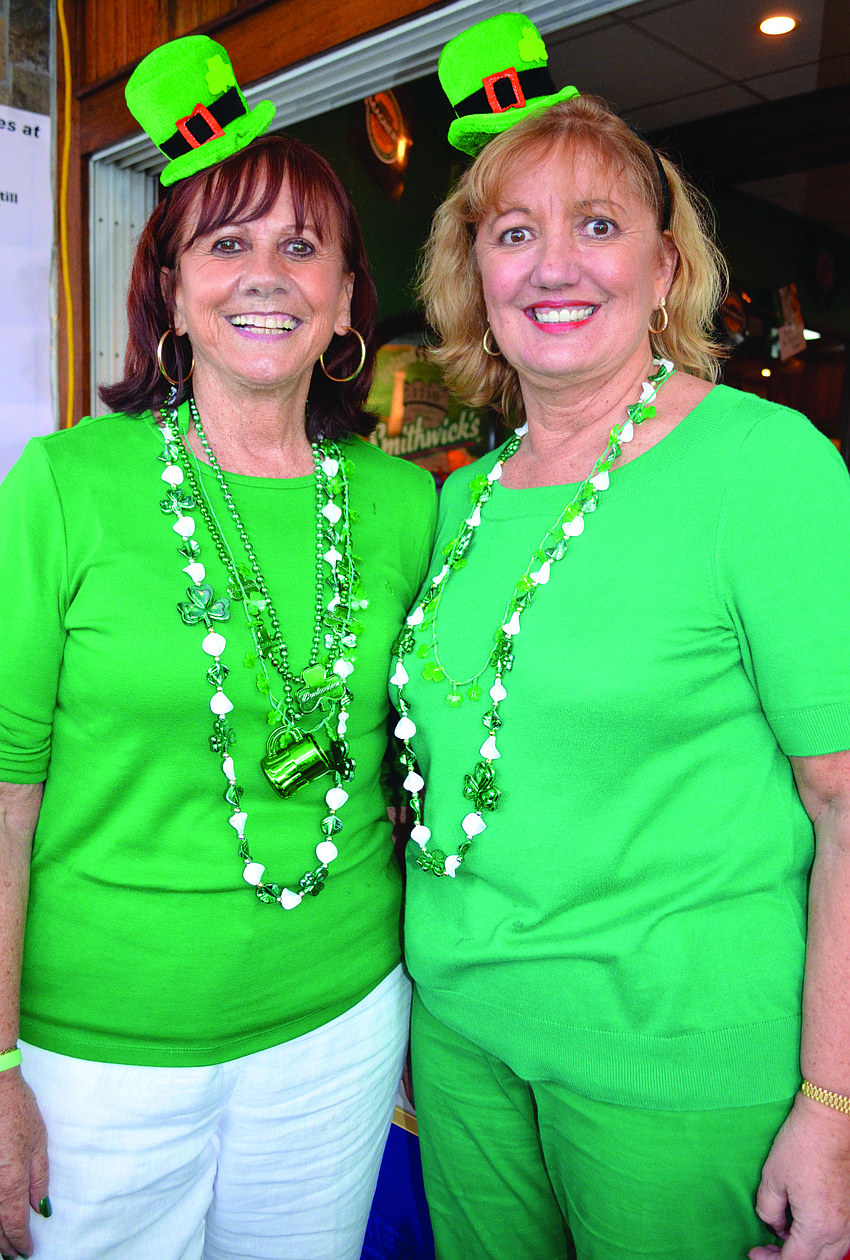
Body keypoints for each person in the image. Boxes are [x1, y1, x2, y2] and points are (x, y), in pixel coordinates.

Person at [389, 13, 850, 1260]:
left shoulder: (765, 467)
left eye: (597, 226)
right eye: (513, 232)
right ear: (473, 275)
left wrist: (835, 1108)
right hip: (464, 1039)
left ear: (663, 268)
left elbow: (846, 807)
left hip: (678, 1068)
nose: (555, 264)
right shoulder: (455, 500)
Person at [0, 34, 436, 1260]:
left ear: (349, 298)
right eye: (226, 243)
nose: (266, 274)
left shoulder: (407, 504)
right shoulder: (65, 485)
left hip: (342, 1030)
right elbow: (1, 795)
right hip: (96, 1059)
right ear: (171, 289)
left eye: (303, 247)